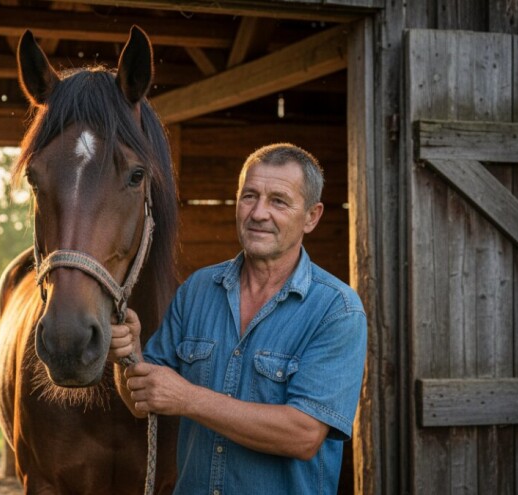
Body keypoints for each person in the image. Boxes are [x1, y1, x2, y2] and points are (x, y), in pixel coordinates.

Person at [109, 143, 367, 494]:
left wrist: (188, 398)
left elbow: (303, 435)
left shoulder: (336, 310)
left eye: (278, 201)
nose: (258, 213)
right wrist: (127, 356)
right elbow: (141, 402)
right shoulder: (197, 290)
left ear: (312, 216)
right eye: (249, 196)